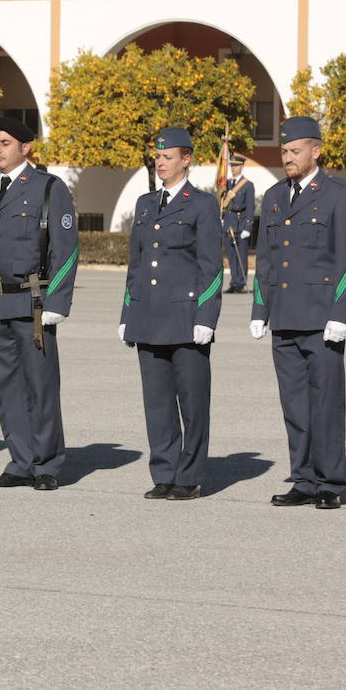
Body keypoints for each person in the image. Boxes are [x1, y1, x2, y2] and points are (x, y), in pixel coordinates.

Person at [251, 116, 346, 510]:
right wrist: (260, 309)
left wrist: (341, 313)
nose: (287, 157)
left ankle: (330, 481)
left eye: (294, 151)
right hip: (284, 318)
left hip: (321, 320)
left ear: (316, 151)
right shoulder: (275, 197)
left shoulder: (338, 194)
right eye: (284, 151)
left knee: (326, 403)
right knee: (295, 405)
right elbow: (266, 259)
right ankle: (304, 479)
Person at [0, 116, 78, 491]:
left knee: (40, 386)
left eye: (5, 143)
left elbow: (66, 250)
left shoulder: (49, 188)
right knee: (7, 388)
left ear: (26, 147)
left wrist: (57, 301)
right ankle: (19, 460)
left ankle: (46, 463)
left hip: (33, 304)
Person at [118, 128, 223, 500]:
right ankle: (164, 472)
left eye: (167, 157)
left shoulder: (202, 205)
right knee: (158, 403)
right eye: (157, 157)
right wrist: (127, 312)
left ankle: (190, 475)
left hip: (185, 319)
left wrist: (206, 318)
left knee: (192, 402)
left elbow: (211, 266)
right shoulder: (146, 203)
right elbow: (137, 264)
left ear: (186, 159)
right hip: (148, 317)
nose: (160, 163)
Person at [220, 154, 254, 293]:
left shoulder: (247, 185)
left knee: (241, 254)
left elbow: (251, 207)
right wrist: (222, 218)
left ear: (242, 166)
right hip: (228, 223)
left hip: (240, 223)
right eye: (232, 166)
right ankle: (234, 282)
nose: (234, 168)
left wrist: (248, 227)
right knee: (231, 256)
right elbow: (223, 202)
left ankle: (240, 283)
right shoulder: (226, 184)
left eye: (236, 166)